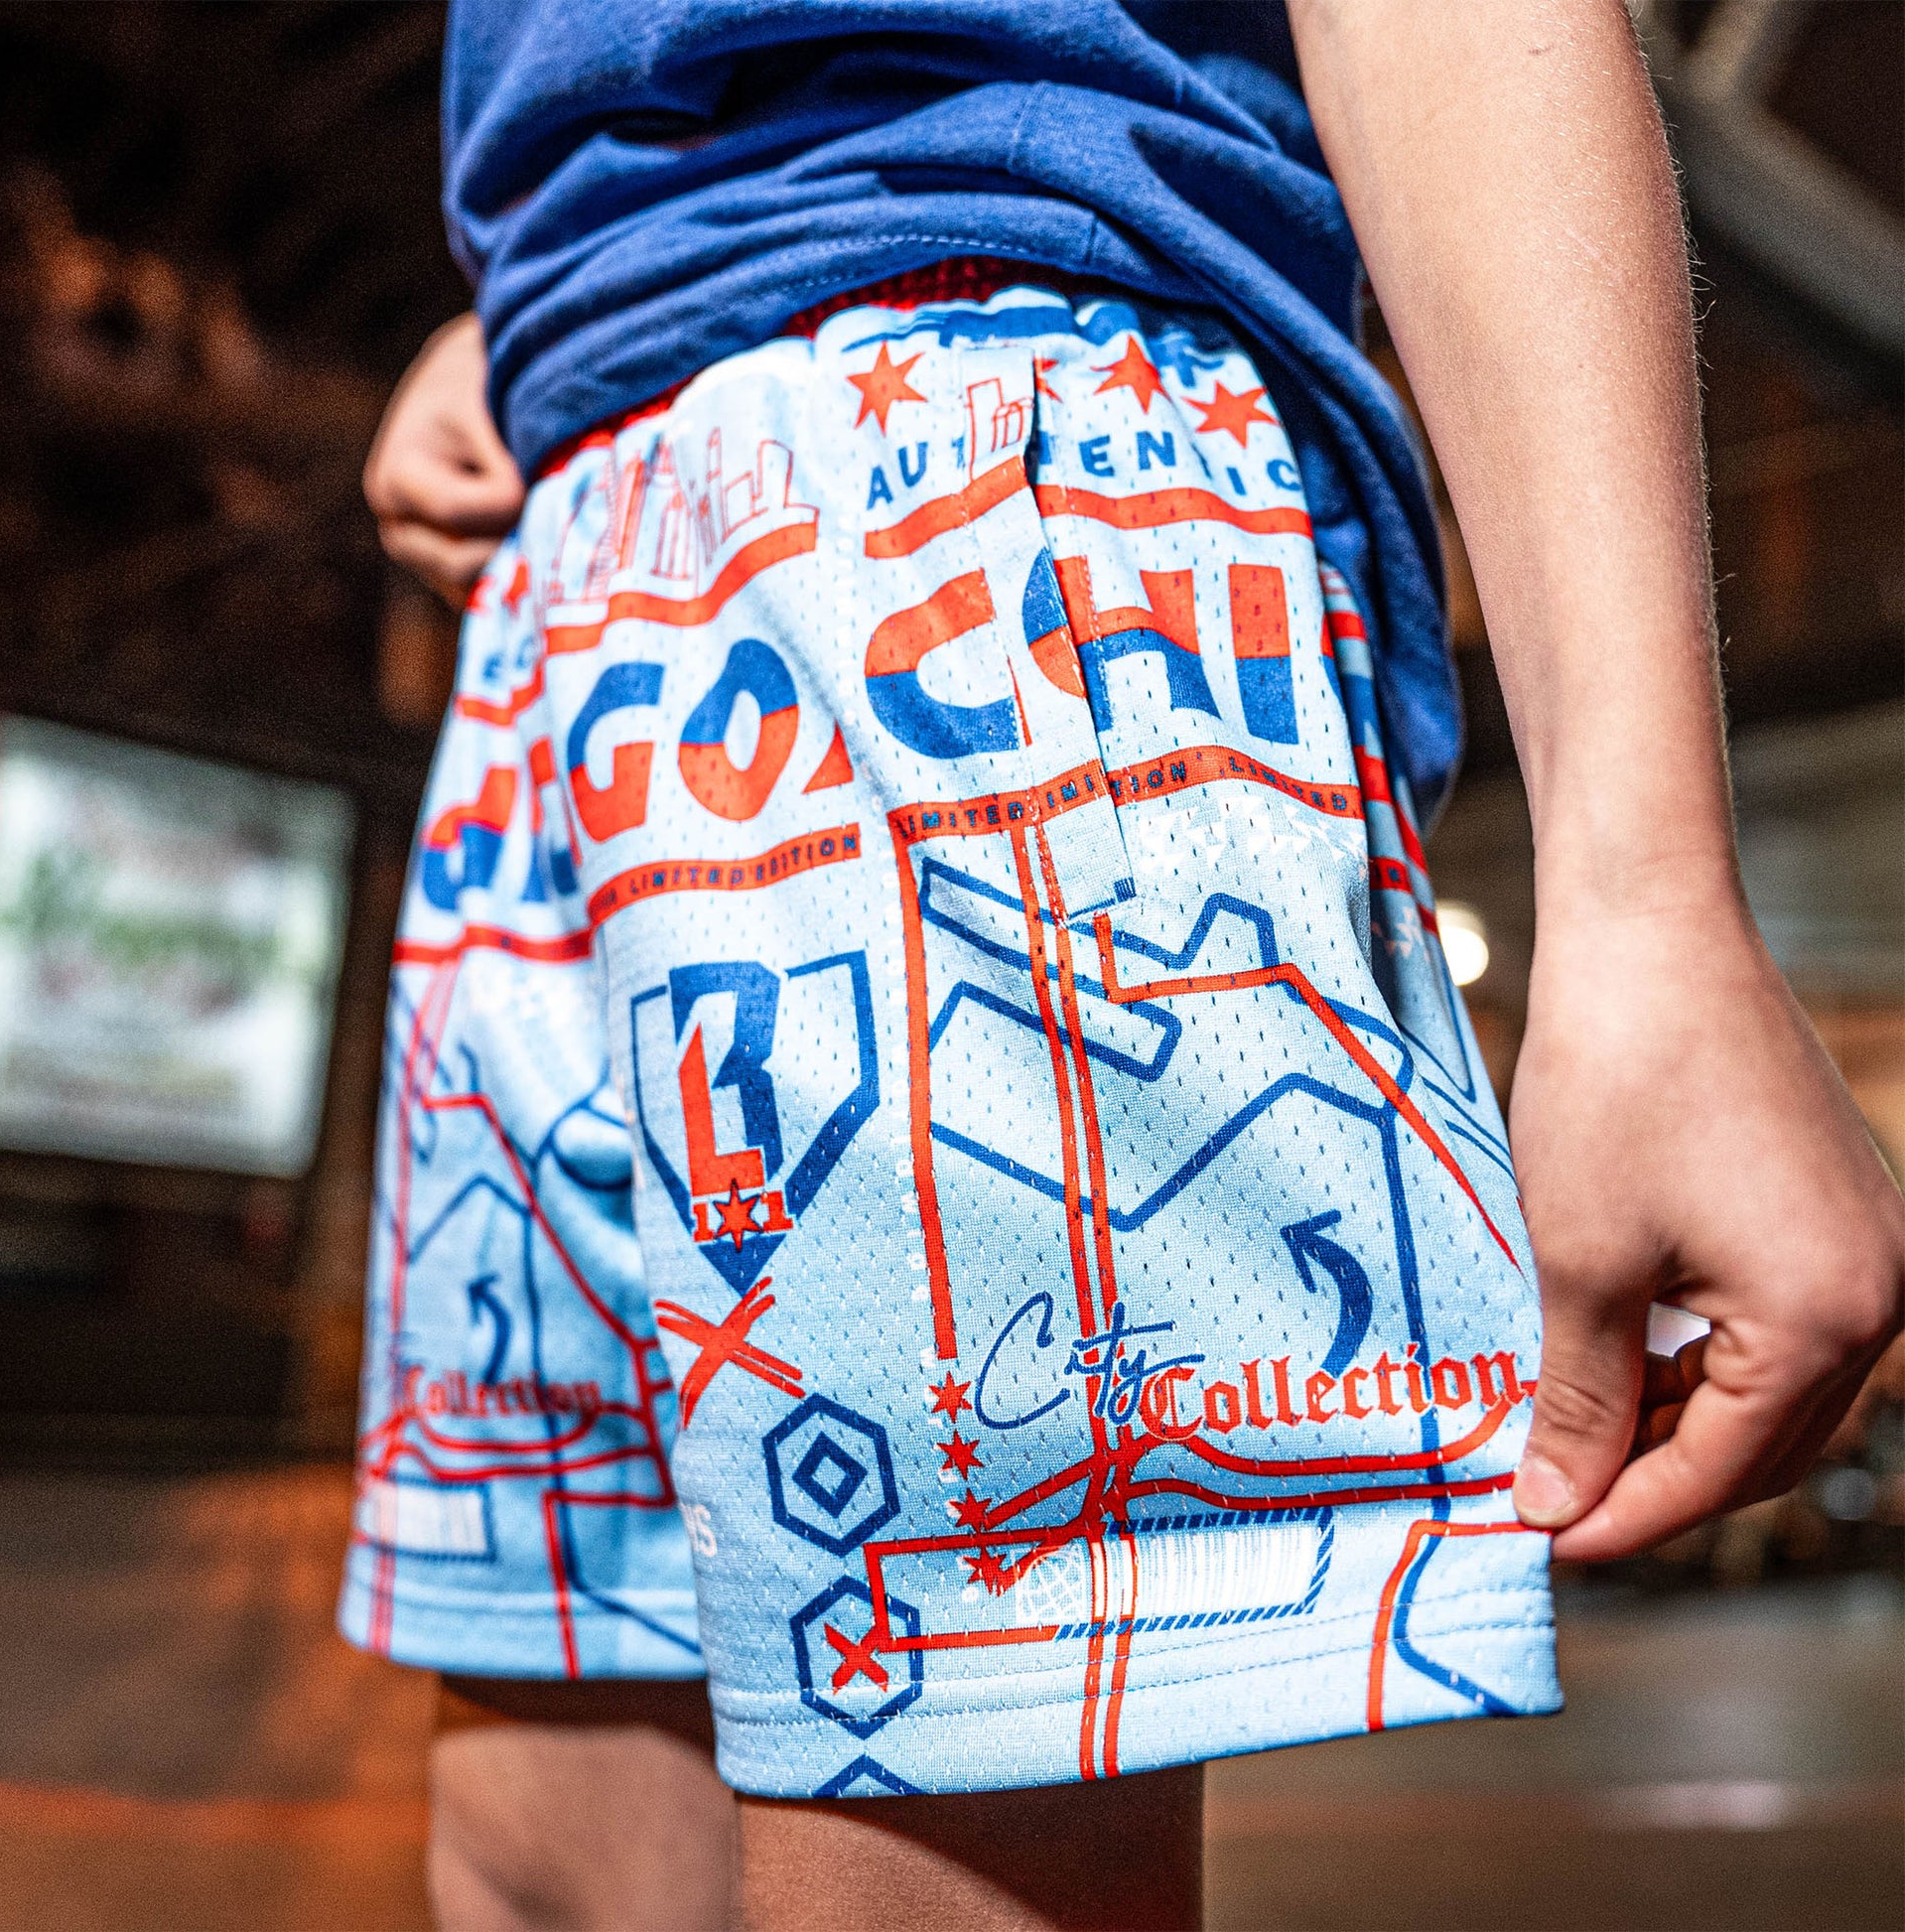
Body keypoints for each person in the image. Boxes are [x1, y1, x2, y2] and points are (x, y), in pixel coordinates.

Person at [346, 3, 1905, 1927]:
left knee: (936, 1836)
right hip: (572, 526)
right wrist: (558, 277)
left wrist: (1645, 895)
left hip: (969, 486)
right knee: (546, 1854)